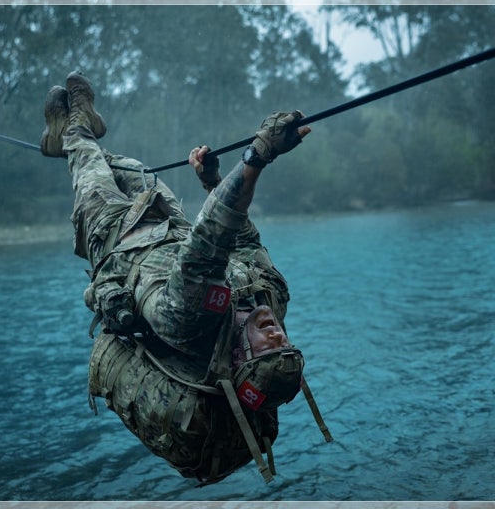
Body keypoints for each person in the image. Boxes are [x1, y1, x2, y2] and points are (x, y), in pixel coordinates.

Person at [40, 71, 330, 485]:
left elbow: (212, 239)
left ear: (238, 359)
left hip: (115, 238)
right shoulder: (270, 299)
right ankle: (68, 134)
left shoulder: (191, 320)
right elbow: (244, 239)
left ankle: (72, 129)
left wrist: (257, 155)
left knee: (87, 158)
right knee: (131, 168)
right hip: (169, 225)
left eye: (268, 348)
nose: (278, 335)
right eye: (285, 344)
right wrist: (212, 181)